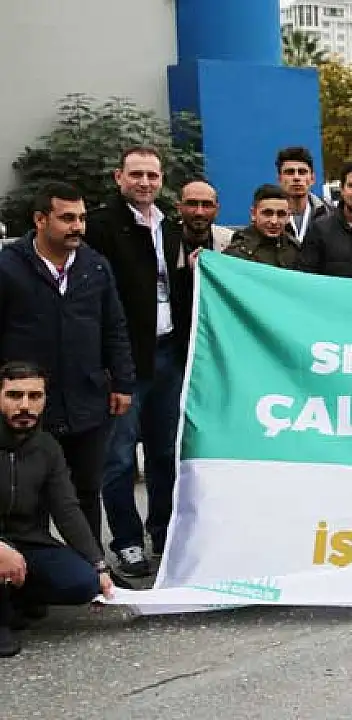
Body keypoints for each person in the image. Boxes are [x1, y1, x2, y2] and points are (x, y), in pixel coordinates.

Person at [0, 182, 135, 555]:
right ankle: (31, 574)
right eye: (67, 218)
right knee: (28, 496)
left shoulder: (95, 266)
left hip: (86, 399)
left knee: (86, 490)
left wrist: (122, 382)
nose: (77, 226)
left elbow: (114, 327)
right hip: (28, 404)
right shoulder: (8, 267)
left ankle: (91, 568)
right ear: (40, 219)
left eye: (81, 218)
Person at [85, 145, 193, 578]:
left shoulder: (170, 227)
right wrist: (111, 367)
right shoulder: (100, 227)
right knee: (120, 458)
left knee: (165, 452)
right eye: (136, 174)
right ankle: (127, 542)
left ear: (161, 179)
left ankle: (163, 532)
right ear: (119, 178)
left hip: (167, 354)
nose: (145, 182)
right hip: (124, 361)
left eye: (152, 175)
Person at [0, 361, 116, 657]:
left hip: (26, 540)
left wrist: (98, 565)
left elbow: (67, 509)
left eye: (34, 396)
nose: (25, 406)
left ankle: (15, 597)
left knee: (83, 583)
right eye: (14, 395)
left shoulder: (48, 446)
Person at [224, 185, 301, 269]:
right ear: (253, 214)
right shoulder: (236, 253)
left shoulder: (295, 248)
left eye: (281, 214)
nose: (274, 221)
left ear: (288, 217)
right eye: (267, 213)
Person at [275, 146, 334, 244]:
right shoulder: (269, 217)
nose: (296, 177)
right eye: (290, 172)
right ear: (279, 179)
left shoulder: (330, 213)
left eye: (302, 172)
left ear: (312, 178)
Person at [176, 180, 232, 255]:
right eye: (192, 204)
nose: (199, 212)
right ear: (179, 208)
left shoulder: (231, 242)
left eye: (207, 205)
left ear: (217, 210)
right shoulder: (163, 241)